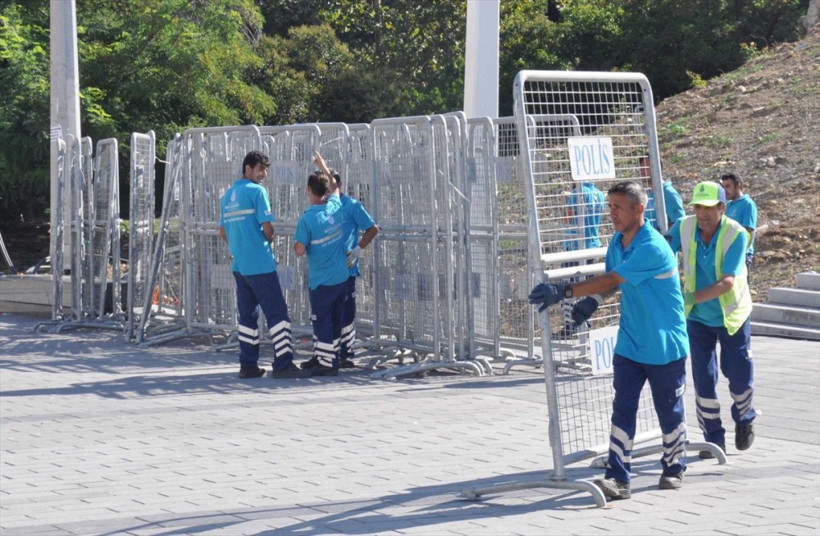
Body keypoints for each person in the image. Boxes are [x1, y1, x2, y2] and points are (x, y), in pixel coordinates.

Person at [529, 181, 690, 501]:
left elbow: (613, 278)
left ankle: (674, 465)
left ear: (639, 209)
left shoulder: (652, 246)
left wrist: (565, 292)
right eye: (610, 207)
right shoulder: (618, 241)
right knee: (623, 408)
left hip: (664, 344)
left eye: (618, 207)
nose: (611, 214)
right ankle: (618, 476)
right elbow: (614, 283)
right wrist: (594, 302)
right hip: (631, 341)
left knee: (668, 410)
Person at [667, 181, 756, 459]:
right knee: (704, 379)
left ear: (722, 207)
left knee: (739, 376)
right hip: (698, 319)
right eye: (697, 206)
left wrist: (690, 297)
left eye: (708, 207)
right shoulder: (683, 226)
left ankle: (744, 418)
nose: (702, 213)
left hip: (732, 316)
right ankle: (713, 438)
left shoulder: (735, 234)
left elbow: (727, 283)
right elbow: (664, 255)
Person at [218, 150, 305, 379]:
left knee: (247, 318)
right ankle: (283, 363)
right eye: (260, 169)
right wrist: (267, 238)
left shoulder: (227, 196)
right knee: (278, 314)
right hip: (260, 264)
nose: (264, 174)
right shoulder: (258, 192)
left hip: (239, 266)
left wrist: (240, 244)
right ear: (248, 168)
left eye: (266, 169)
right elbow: (267, 228)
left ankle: (247, 365)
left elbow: (222, 231)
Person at [294, 151, 350, 377]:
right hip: (341, 277)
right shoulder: (335, 207)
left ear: (308, 190)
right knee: (335, 321)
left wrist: (302, 244)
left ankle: (327, 365)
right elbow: (336, 186)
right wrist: (324, 166)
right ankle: (326, 356)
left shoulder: (307, 219)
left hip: (322, 282)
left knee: (322, 321)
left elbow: (299, 251)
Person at [332, 168, 379, 368]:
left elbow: (372, 228)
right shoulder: (321, 206)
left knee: (347, 311)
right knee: (328, 311)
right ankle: (329, 353)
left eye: (332, 184)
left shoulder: (351, 206)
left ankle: (347, 353)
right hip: (325, 270)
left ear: (339, 185)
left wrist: (358, 249)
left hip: (347, 268)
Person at [557, 181, 605, 339]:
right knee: (586, 287)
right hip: (592, 245)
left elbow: (568, 218)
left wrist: (564, 203)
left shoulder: (577, 193)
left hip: (575, 246)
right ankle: (585, 324)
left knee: (568, 288)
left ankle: (570, 326)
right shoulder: (599, 194)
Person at [720, 173, 757, 278]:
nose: (725, 190)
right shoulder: (728, 205)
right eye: (723, 187)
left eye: (728, 186)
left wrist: (743, 251)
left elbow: (749, 231)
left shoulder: (748, 204)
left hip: (741, 254)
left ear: (738, 186)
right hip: (727, 252)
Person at [640, 154, 685, 232]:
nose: (643, 171)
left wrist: (663, 234)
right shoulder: (646, 194)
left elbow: (680, 223)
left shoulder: (668, 193)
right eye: (641, 168)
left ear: (658, 168)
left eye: (647, 167)